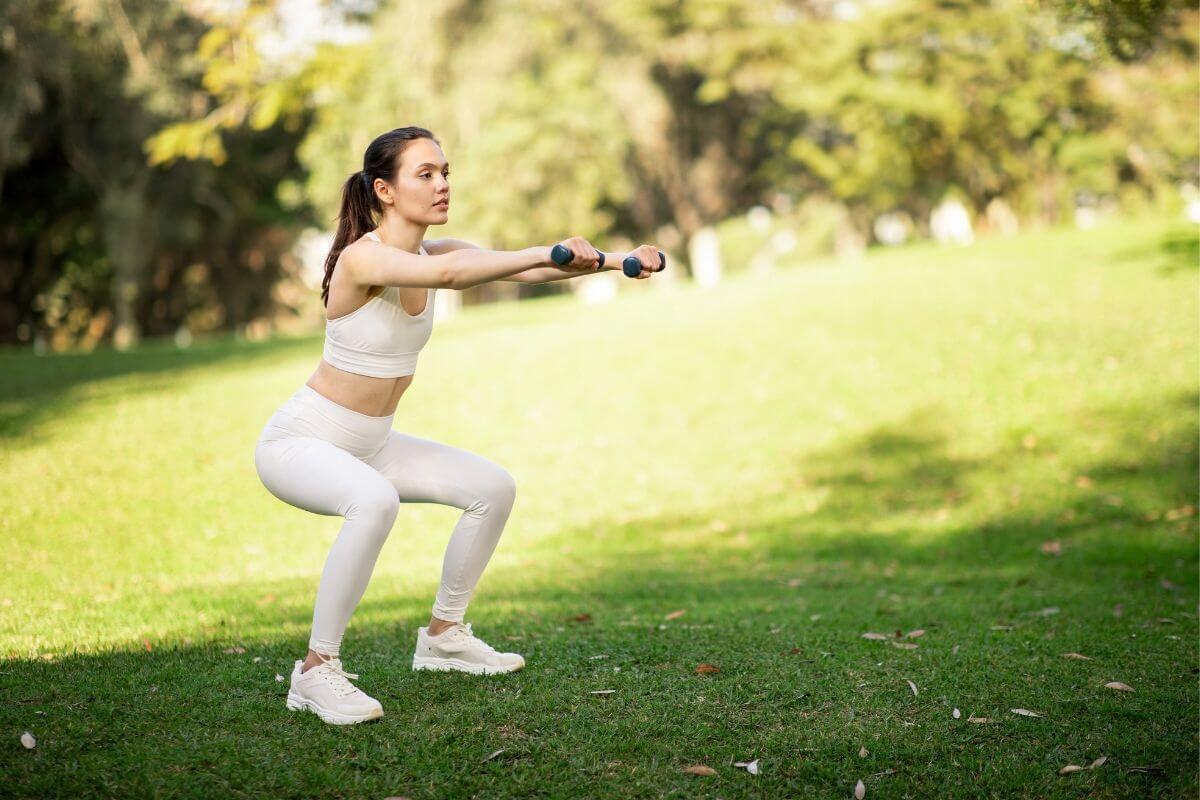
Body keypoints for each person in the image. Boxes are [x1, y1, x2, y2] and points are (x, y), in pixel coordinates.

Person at [252, 126, 663, 725]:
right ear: (384, 191)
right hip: (302, 442)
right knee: (374, 501)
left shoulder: (435, 252)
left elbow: (514, 271)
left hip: (372, 442)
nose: (442, 184)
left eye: (445, 172)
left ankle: (444, 636)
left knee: (491, 488)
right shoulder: (363, 257)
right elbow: (457, 278)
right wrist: (545, 250)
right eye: (425, 174)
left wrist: (617, 262)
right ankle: (316, 670)